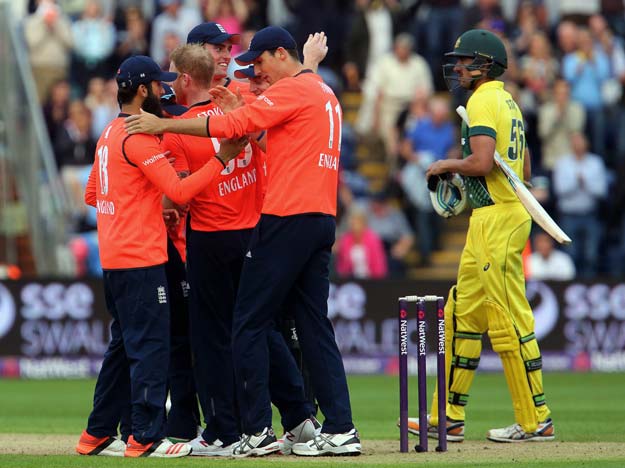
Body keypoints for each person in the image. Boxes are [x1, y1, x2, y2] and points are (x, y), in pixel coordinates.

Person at [125, 26, 361, 457]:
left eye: (260, 62)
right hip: (321, 218)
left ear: (280, 55)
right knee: (312, 324)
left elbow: (235, 123)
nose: (256, 71)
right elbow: (272, 140)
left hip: (286, 218)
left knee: (247, 323)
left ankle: (255, 432)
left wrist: (164, 122)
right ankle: (341, 428)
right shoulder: (322, 92)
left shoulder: (293, 89)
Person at [75, 55, 241, 458]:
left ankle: (96, 433)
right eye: (159, 86)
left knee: (122, 348)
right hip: (140, 258)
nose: (164, 91)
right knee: (151, 346)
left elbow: (93, 195)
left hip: (114, 260)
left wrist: (144, 199)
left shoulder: (108, 134)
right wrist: (222, 158)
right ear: (144, 90)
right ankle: (146, 436)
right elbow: (181, 193)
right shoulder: (139, 138)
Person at [410, 29, 554, 443]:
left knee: (506, 315)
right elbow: (522, 168)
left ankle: (536, 419)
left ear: (486, 64)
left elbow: (483, 160)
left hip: (500, 221)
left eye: (464, 60)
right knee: (462, 313)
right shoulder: (508, 101)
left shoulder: (484, 98)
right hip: (491, 217)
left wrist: (444, 165)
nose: (457, 67)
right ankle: (447, 417)